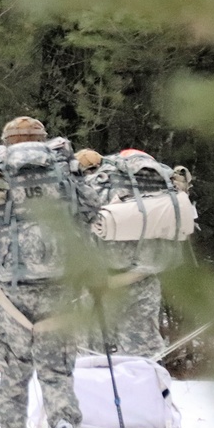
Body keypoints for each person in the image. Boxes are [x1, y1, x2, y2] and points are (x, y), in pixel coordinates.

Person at [0, 116, 100, 428]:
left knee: (13, 371)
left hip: (12, 293)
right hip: (60, 288)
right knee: (56, 370)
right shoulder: (63, 170)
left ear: (7, 142)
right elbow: (91, 211)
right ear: (43, 139)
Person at [81, 148, 196, 359]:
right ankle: (147, 389)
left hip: (100, 283)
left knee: (93, 358)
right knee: (144, 354)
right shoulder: (162, 190)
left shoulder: (97, 183)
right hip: (144, 281)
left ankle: (98, 391)